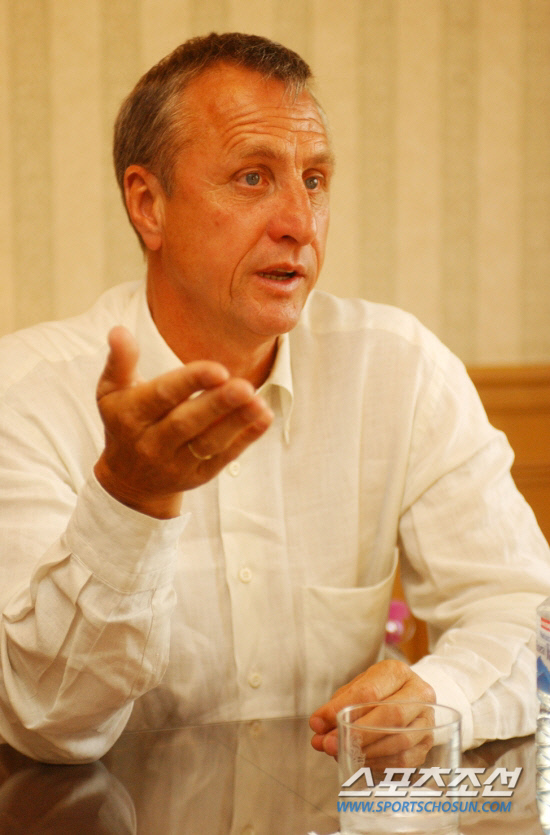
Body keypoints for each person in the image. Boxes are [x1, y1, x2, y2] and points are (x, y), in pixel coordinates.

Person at [0, 32, 548, 765]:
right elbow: (48, 720)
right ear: (148, 204)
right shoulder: (25, 394)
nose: (300, 222)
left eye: (315, 180)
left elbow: (523, 612)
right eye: (253, 177)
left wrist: (439, 697)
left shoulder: (399, 367)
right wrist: (130, 499)